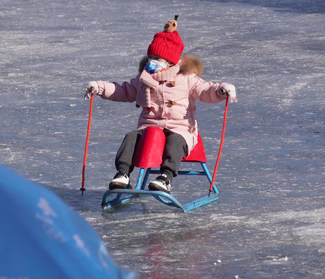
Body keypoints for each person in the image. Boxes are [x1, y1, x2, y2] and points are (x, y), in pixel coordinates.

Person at [84, 16, 237, 193]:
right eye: (151, 57)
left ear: (170, 61)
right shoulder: (144, 79)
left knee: (175, 141)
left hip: (180, 127)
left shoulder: (186, 78)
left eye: (157, 58)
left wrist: (221, 90)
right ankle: (123, 174)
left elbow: (205, 90)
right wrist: (100, 87)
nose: (151, 61)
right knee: (131, 138)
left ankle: (166, 178)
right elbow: (123, 91)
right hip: (149, 127)